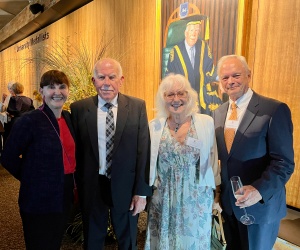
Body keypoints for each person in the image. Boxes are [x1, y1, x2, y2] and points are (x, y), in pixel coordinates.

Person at [212, 55, 294, 250]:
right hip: (229, 207)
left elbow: (284, 163)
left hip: (260, 208)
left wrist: (259, 190)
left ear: (249, 75)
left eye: (236, 75)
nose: (230, 81)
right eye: (225, 78)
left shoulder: (274, 110)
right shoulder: (218, 113)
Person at [70, 58, 152, 250]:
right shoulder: (79, 109)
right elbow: (76, 153)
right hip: (92, 186)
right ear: (93, 81)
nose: (106, 83)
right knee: (92, 240)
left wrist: (141, 192)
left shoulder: (137, 107)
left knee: (128, 240)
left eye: (112, 77)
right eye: (101, 77)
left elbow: (143, 151)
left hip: (126, 187)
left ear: (121, 80)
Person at [1, 70, 76, 250]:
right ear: (41, 92)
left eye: (62, 87)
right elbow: (8, 157)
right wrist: (30, 177)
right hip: (38, 198)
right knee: (39, 244)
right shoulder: (29, 121)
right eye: (51, 87)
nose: (57, 92)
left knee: (55, 241)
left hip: (65, 194)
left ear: (68, 91)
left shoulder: (69, 118)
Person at [144, 73, 221, 249]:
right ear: (163, 98)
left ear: (190, 96)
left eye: (181, 93)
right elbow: (148, 162)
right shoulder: (154, 126)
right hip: (163, 195)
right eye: (170, 94)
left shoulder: (205, 122)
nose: (176, 99)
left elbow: (212, 157)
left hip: (196, 196)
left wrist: (217, 192)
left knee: (193, 242)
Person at [165, 16, 223, 115]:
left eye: (197, 30)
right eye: (191, 30)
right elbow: (170, 76)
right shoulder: (175, 51)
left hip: (202, 92)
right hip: (183, 93)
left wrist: (221, 79)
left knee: (215, 113)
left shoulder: (204, 47)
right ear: (185, 33)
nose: (194, 33)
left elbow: (210, 69)